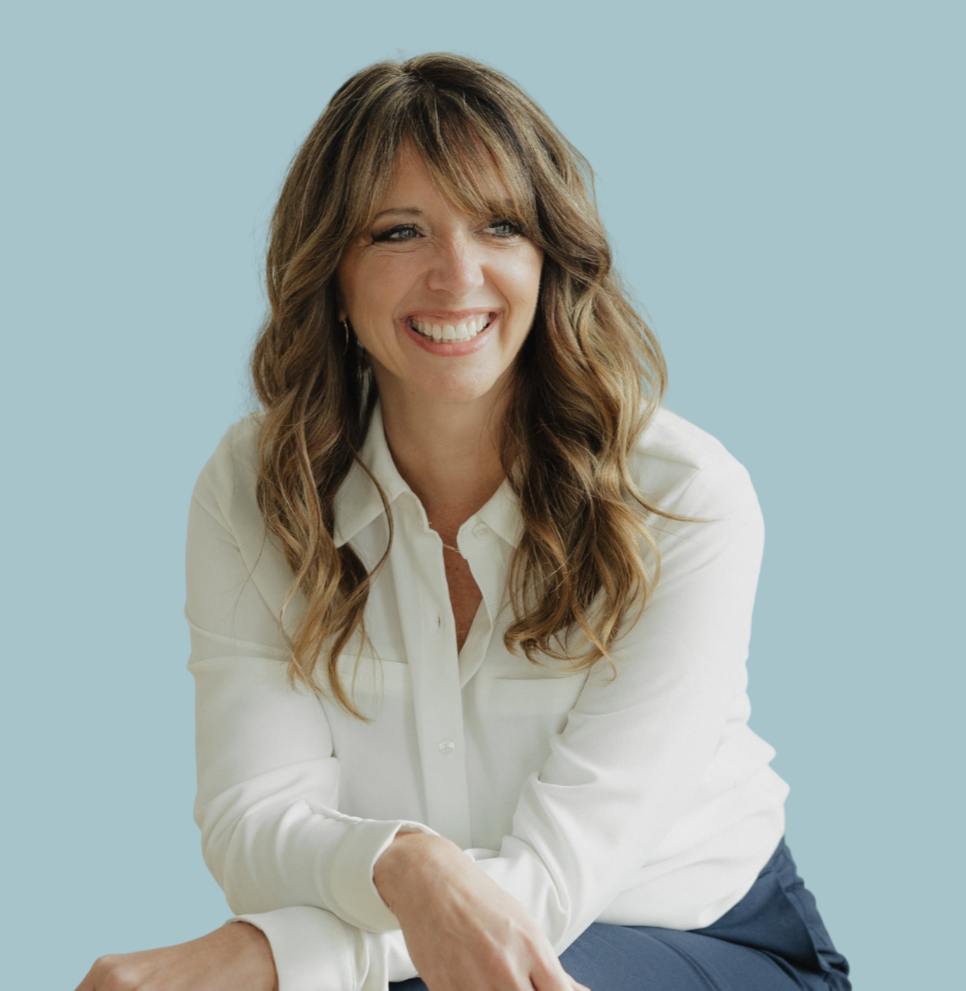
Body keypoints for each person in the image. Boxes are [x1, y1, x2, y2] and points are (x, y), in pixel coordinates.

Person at [75, 54, 851, 991]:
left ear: (547, 256)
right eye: (399, 231)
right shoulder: (257, 486)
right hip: (427, 952)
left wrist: (272, 959)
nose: (456, 275)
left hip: (709, 936)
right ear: (334, 269)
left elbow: (556, 880)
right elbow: (255, 815)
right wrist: (406, 863)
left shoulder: (677, 497)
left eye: (498, 226)